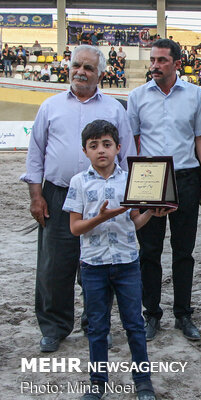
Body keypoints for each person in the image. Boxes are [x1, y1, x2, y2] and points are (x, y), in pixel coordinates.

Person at [20, 45, 135, 353]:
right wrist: (36, 196)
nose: (81, 71)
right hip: (56, 194)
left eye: (88, 67)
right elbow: (36, 155)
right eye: (76, 65)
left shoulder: (114, 109)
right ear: (68, 67)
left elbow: (128, 158)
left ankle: (96, 325)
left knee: (97, 265)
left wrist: (132, 199)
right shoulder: (50, 106)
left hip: (104, 196)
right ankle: (54, 327)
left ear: (100, 74)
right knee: (54, 265)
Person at [63, 120, 166, 400]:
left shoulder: (130, 179)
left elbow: (135, 221)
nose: (101, 151)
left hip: (127, 262)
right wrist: (101, 218)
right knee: (97, 327)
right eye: (94, 146)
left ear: (118, 148)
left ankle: (142, 380)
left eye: (107, 144)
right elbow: (75, 228)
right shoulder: (78, 183)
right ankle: (97, 382)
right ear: (85, 151)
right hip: (93, 266)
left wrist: (151, 213)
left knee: (134, 323)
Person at [127, 38, 201, 342]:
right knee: (149, 250)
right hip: (149, 177)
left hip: (186, 178)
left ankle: (183, 314)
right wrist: (135, 184)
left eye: (162, 60)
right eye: (152, 60)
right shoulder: (137, 97)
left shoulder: (194, 95)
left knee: (184, 250)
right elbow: (133, 142)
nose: (155, 65)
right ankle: (151, 313)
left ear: (177, 64)